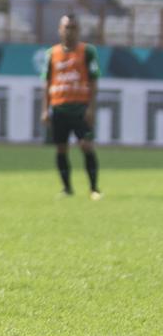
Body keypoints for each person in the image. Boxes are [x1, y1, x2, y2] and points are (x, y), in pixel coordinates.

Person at [40, 14, 102, 200]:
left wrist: (91, 108)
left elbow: (93, 81)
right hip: (59, 107)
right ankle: (67, 189)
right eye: (66, 27)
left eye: (73, 27)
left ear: (79, 30)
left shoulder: (87, 51)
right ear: (60, 29)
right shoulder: (52, 54)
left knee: (86, 145)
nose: (69, 31)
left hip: (80, 108)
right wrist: (45, 109)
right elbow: (47, 82)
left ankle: (94, 188)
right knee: (61, 148)